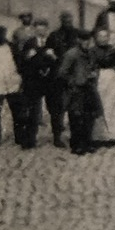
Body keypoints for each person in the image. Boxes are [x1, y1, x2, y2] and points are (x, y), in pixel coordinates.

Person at [17, 17, 59, 150]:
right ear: (35, 30)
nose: (41, 32)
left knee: (55, 111)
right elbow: (21, 64)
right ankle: (30, 139)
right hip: (34, 83)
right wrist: (28, 57)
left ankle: (57, 138)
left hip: (50, 82)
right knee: (34, 111)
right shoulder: (29, 43)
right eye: (38, 29)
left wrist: (54, 57)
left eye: (44, 29)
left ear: (47, 30)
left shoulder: (54, 42)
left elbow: (62, 61)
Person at [57, 28, 101, 156]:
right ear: (78, 40)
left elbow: (95, 67)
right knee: (76, 118)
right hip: (76, 91)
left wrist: (94, 74)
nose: (87, 42)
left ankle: (87, 143)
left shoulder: (91, 53)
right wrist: (74, 81)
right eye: (84, 40)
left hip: (89, 89)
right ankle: (76, 145)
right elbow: (62, 73)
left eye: (89, 40)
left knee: (89, 117)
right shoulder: (71, 54)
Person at [42, 13, 77, 147]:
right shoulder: (54, 36)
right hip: (58, 77)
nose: (68, 22)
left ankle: (74, 135)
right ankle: (57, 136)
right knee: (57, 109)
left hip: (73, 76)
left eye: (70, 20)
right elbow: (48, 53)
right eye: (65, 20)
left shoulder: (76, 35)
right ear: (61, 21)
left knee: (74, 107)